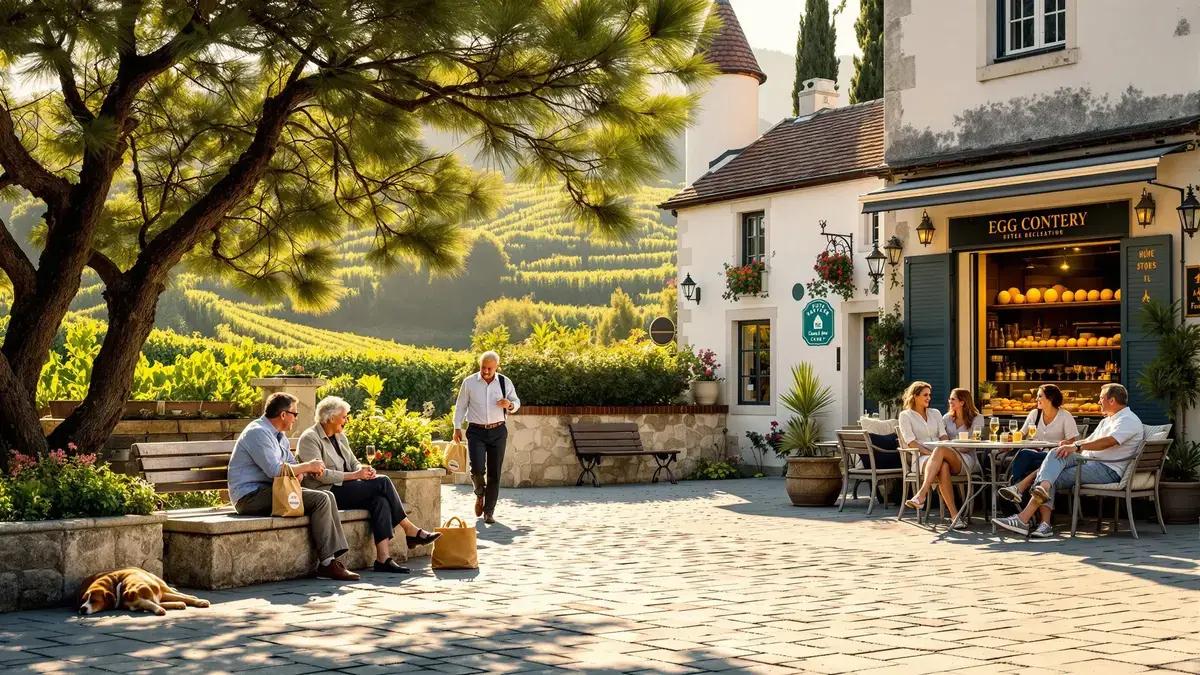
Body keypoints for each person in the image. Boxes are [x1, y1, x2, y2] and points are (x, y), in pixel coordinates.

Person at [296, 396, 442, 574]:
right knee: (383, 481)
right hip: (326, 493)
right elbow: (322, 476)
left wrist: (363, 469)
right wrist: (356, 475)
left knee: (380, 500)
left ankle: (383, 559)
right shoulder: (310, 438)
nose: (347, 420)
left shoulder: (340, 437)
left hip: (345, 488)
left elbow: (353, 462)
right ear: (331, 418)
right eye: (344, 417)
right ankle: (410, 529)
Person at [228, 393, 359, 581]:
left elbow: (290, 463)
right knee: (321, 498)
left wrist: (300, 472)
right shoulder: (257, 432)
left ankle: (331, 560)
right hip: (250, 496)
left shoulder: (279, 436)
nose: (296, 418)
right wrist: (307, 466)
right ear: (283, 414)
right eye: (294, 414)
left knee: (326, 496)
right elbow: (275, 470)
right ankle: (327, 563)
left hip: (273, 491)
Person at [993, 383, 1143, 539]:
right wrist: (1070, 445)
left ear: (1112, 400)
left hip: (1107, 469)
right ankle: (1036, 513)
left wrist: (1076, 445)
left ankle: (1031, 520)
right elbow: (1089, 441)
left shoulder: (1128, 420)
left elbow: (1109, 441)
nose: (1098, 402)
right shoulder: (1108, 420)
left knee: (1051, 476)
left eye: (1101, 398)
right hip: (1088, 460)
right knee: (1055, 453)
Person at [453, 350, 520, 524]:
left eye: (490, 368)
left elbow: (516, 402)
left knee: (494, 473)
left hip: (498, 431)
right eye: (483, 368)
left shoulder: (505, 382)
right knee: (476, 469)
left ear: (496, 366)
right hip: (476, 431)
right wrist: (457, 427)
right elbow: (460, 406)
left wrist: (510, 404)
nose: (486, 372)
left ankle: (489, 511)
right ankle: (479, 493)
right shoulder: (469, 382)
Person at [899, 382, 971, 528]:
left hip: (941, 452)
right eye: (925, 395)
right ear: (915, 396)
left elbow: (943, 436)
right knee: (942, 465)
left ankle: (921, 495)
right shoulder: (905, 416)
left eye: (929, 395)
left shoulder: (935, 413)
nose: (929, 398)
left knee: (941, 456)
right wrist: (933, 454)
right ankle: (954, 515)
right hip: (920, 457)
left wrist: (939, 452)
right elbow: (911, 442)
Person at [997, 385, 1078, 507]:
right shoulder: (1035, 414)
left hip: (1054, 456)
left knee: (1025, 455)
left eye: (1040, 396)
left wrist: (1064, 443)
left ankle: (1016, 489)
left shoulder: (1065, 416)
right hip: (1035, 455)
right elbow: (1021, 433)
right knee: (1025, 455)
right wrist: (1009, 437)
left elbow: (1072, 442)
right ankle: (1017, 490)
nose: (1036, 399)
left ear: (1050, 399)